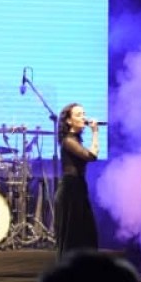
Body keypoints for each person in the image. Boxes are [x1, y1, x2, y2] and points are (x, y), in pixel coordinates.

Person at [55, 102, 100, 254]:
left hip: (78, 188)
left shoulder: (76, 139)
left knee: (86, 235)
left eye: (84, 114)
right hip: (70, 191)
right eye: (79, 115)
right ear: (69, 120)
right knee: (73, 237)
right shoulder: (68, 141)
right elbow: (91, 156)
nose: (84, 118)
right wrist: (95, 132)